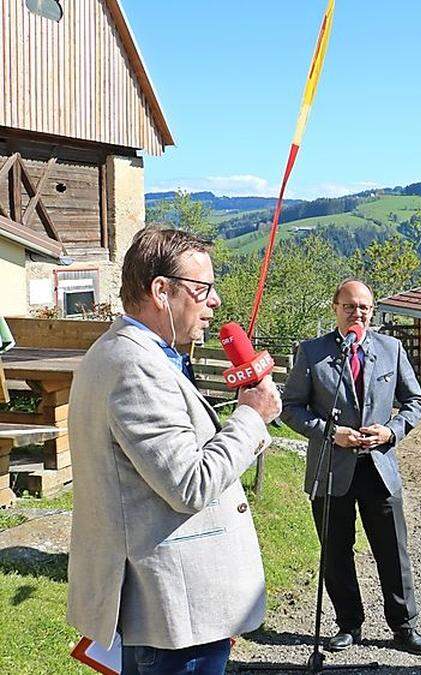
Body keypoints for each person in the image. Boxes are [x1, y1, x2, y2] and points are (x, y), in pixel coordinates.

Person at [67, 227, 282, 674]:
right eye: (202, 289)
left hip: (172, 609)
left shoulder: (126, 352)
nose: (215, 301)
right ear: (161, 291)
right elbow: (189, 483)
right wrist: (251, 417)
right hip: (173, 618)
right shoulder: (135, 367)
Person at [281, 279, 421, 654]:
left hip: (379, 467)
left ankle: (404, 626)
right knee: (336, 550)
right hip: (331, 468)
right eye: (349, 306)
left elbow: (415, 401)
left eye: (363, 307)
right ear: (335, 308)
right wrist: (331, 433)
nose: (357, 313)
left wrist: (391, 432)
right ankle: (349, 624)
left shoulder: (391, 349)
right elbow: (291, 408)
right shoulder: (312, 353)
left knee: (393, 550)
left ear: (372, 310)